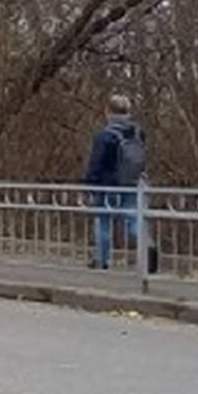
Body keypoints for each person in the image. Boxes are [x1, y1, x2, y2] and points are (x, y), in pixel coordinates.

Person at [83, 93, 151, 270]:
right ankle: (147, 246)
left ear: (108, 111)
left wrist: (89, 184)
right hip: (132, 182)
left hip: (107, 185)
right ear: (128, 111)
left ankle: (101, 259)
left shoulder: (104, 135)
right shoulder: (137, 133)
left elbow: (97, 162)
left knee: (103, 221)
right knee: (133, 218)